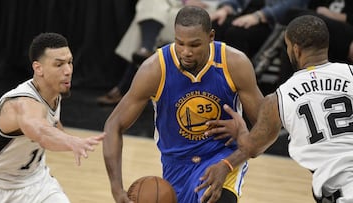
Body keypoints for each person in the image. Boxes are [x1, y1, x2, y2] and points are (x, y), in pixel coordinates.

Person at [103, 6, 264, 203]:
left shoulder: (234, 63)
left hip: (220, 155)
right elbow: (113, 125)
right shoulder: (155, 69)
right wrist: (117, 189)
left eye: (195, 45)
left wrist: (238, 145)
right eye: (180, 43)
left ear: (211, 36)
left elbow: (266, 130)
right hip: (176, 166)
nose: (186, 52)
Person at [201, 15, 353, 202]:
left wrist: (240, 130)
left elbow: (252, 148)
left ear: (295, 50)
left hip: (344, 191)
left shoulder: (279, 98)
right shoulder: (351, 74)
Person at [0, 33, 105, 202]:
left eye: (69, 62)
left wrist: (68, 138)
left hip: (36, 181)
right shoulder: (21, 103)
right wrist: (72, 142)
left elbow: (51, 123)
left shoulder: (53, 91)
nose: (68, 71)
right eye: (59, 64)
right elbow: (40, 131)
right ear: (38, 68)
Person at [96, 0, 227, 105]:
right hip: (179, 6)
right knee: (150, 3)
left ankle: (144, 51)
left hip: (209, 11)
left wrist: (226, 8)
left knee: (146, 23)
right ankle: (146, 48)